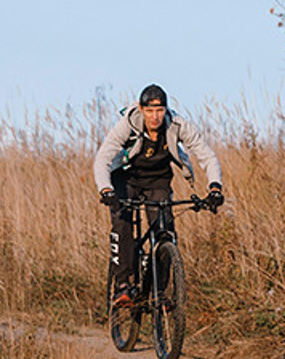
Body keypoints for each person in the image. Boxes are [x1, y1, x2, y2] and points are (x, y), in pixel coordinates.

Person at [94, 84, 224, 306]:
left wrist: (215, 187)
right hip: (126, 178)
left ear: (166, 110)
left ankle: (158, 292)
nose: (155, 116)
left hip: (158, 180)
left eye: (159, 110)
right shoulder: (128, 124)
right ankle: (123, 285)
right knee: (122, 224)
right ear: (141, 109)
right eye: (150, 111)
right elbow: (103, 158)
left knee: (165, 232)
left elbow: (207, 156)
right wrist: (106, 189)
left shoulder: (177, 125)